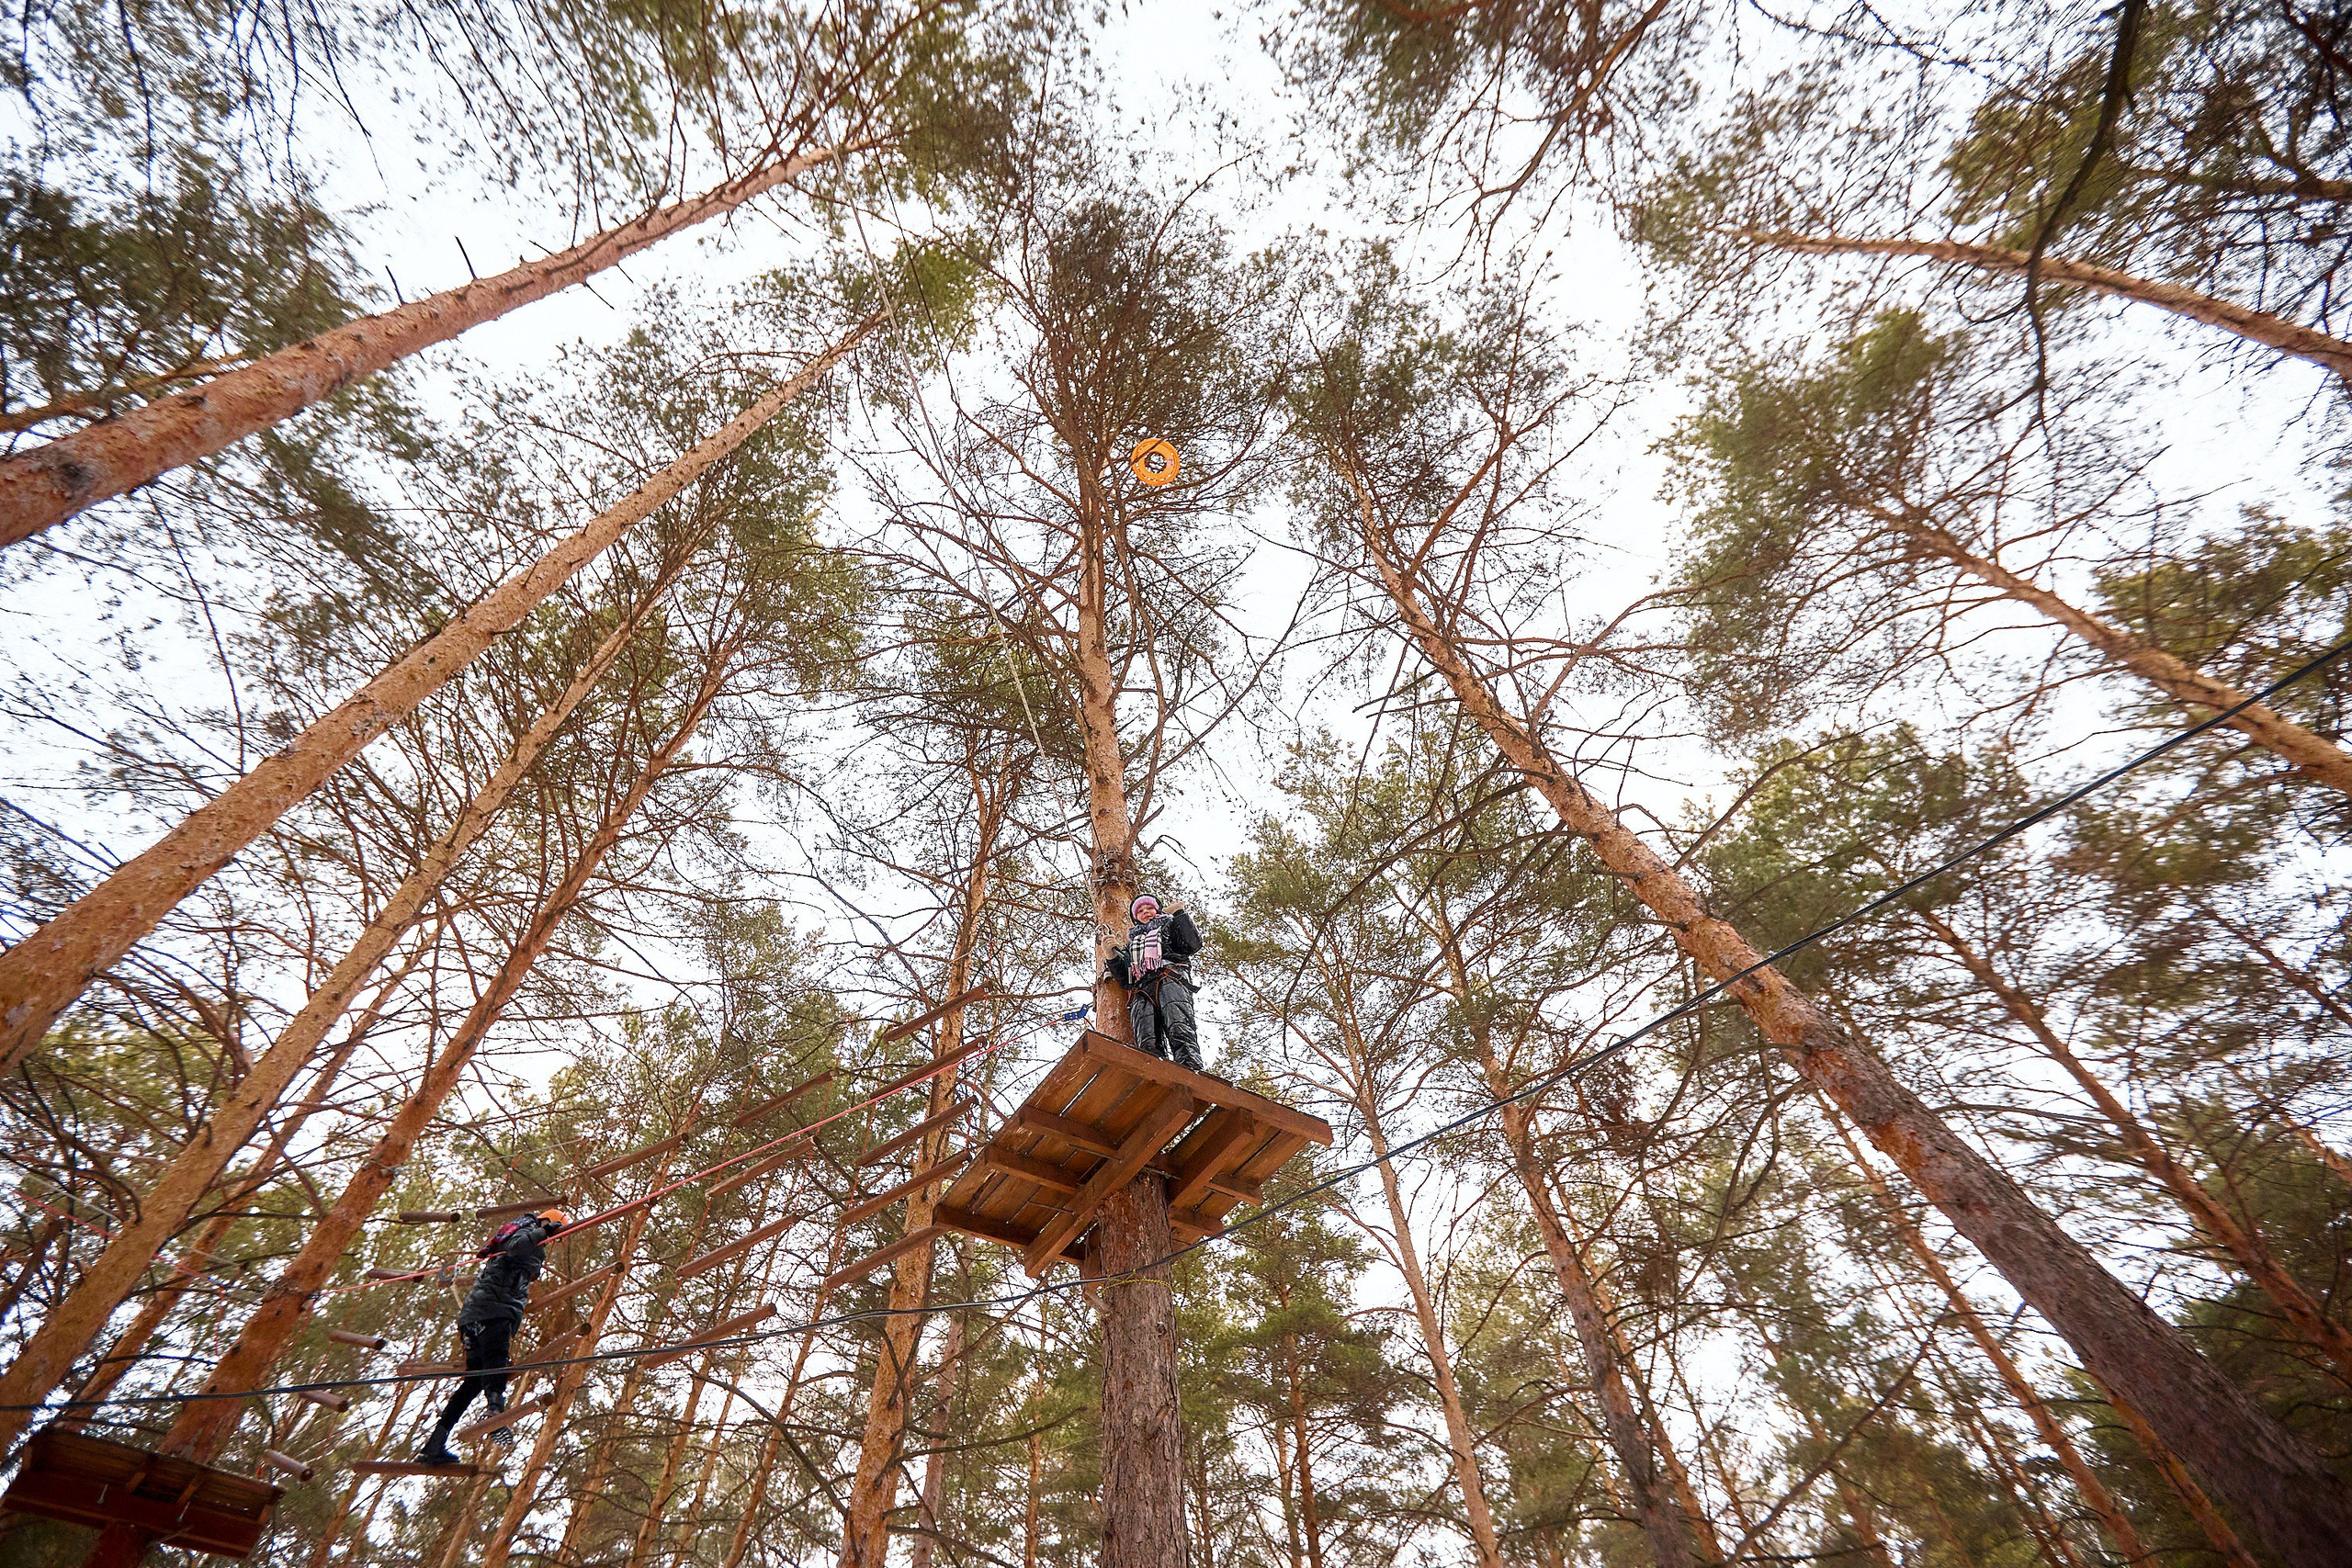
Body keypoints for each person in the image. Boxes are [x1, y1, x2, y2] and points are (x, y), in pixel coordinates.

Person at [417, 1208, 568, 1464]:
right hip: (494, 1312)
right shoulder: (528, 1231)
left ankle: (436, 1441)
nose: (553, 1241)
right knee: (497, 1361)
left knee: (474, 1381)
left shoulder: (526, 1234)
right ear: (548, 1223)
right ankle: (495, 1413)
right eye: (555, 1235)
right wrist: (543, 1231)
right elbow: (515, 1246)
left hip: (475, 1317)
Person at [1105, 893, 1204, 1073]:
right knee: (1147, 1040)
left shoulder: (1169, 927)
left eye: (1149, 908)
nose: (1146, 912)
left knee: (1179, 1026)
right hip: (1141, 991)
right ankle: (1154, 1076)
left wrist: (1180, 915)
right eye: (1140, 911)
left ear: (1157, 910)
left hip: (1170, 978)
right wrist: (1111, 956)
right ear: (1136, 918)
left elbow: (1192, 945)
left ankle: (1191, 1070)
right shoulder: (1131, 946)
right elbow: (1125, 979)